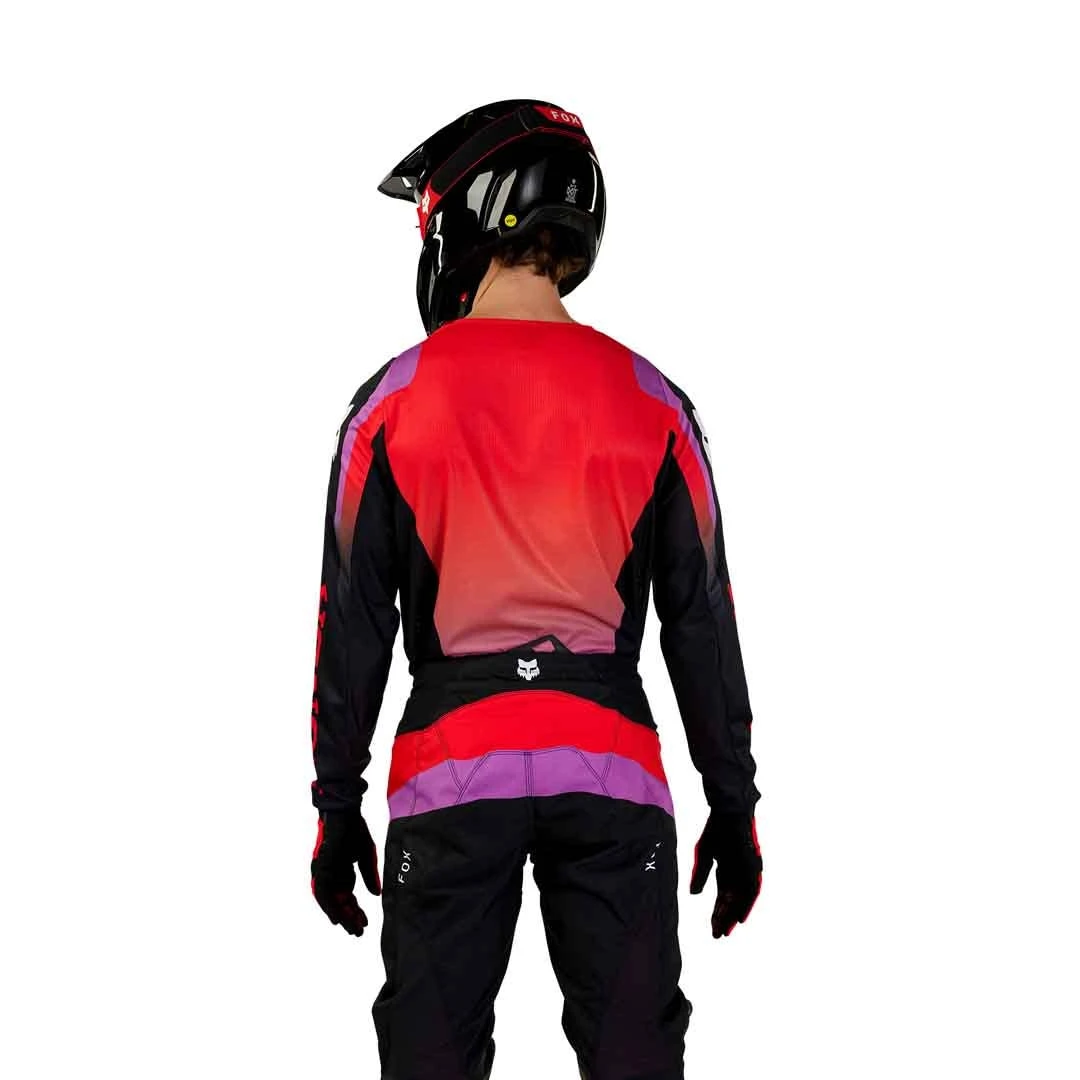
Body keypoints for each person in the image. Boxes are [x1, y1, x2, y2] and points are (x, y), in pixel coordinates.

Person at [308, 99, 762, 1080]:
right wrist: (735, 803)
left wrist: (335, 803)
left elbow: (351, 626)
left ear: (466, 219)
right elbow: (702, 623)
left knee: (430, 1060)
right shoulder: (655, 400)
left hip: (447, 768)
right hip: (611, 765)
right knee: (636, 1058)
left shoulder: (391, 403)